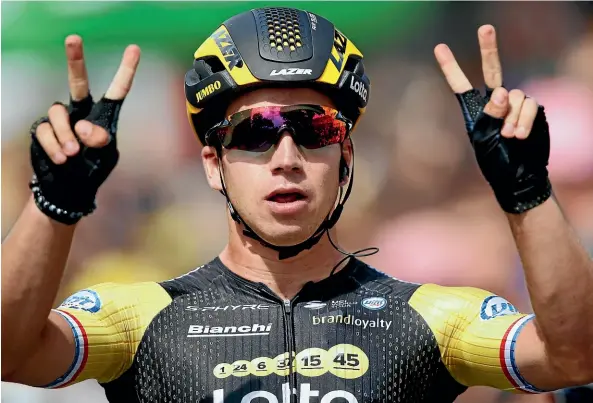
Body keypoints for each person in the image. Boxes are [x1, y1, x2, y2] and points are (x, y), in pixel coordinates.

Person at [2, 6, 593, 403]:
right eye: (255, 134)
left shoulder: (434, 319)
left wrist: (527, 194)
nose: (286, 156)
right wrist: (55, 203)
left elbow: (573, 359)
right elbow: (12, 352)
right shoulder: (136, 319)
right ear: (213, 163)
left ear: (347, 157)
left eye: (314, 130)